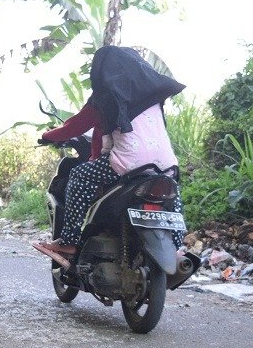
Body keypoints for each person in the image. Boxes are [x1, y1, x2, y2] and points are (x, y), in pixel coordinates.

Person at [35, 46, 185, 262]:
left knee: (79, 176)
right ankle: (178, 248)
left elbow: (75, 126)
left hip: (130, 164)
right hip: (167, 165)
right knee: (172, 197)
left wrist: (48, 136)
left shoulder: (107, 98)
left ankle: (69, 241)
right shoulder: (155, 98)